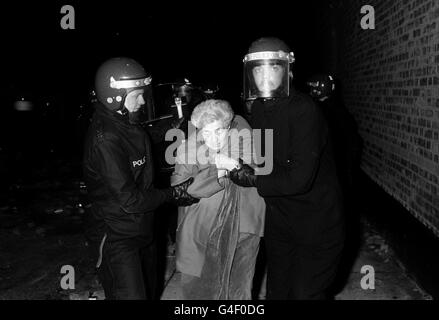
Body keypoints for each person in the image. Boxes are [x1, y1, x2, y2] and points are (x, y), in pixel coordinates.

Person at [230, 37, 345, 299]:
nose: (264, 76)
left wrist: (253, 179)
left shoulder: (304, 109)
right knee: (277, 291)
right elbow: (267, 158)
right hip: (280, 219)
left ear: (288, 70)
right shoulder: (258, 108)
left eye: (273, 68)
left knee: (305, 293)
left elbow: (299, 179)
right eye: (258, 70)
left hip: (316, 221)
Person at [83, 57, 199, 300]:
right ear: (113, 96)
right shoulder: (105, 139)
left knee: (150, 291)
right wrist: (173, 193)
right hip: (117, 237)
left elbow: (139, 137)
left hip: (142, 228)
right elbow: (130, 200)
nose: (142, 101)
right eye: (136, 95)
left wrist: (169, 127)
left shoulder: (124, 120)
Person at [170, 99, 265, 299]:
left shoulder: (243, 142)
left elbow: (259, 177)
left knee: (239, 289)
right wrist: (217, 172)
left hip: (243, 230)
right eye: (206, 132)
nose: (213, 139)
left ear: (229, 126)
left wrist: (235, 165)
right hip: (202, 231)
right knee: (202, 291)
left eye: (219, 131)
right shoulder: (188, 150)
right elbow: (179, 193)